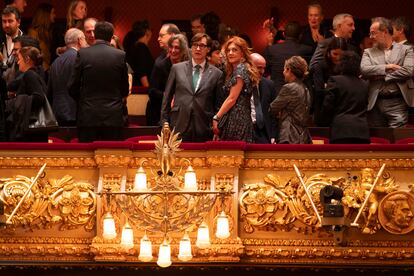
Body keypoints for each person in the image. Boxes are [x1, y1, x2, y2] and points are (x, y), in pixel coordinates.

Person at [68, 21, 129, 142]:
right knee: (111, 157)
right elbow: (125, 89)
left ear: (95, 34)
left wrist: (83, 100)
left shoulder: (83, 54)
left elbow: (72, 86)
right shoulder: (120, 55)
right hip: (113, 116)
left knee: (86, 158)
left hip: (88, 114)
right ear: (111, 37)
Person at [161, 33, 222, 142]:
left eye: (202, 46)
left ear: (208, 49)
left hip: (204, 125)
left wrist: (216, 126)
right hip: (179, 123)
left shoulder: (217, 74)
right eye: (195, 45)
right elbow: (167, 98)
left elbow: (218, 105)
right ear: (191, 47)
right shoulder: (177, 68)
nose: (198, 48)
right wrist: (164, 123)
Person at [360, 17, 414, 128]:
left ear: (384, 32)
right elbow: (364, 69)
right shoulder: (368, 52)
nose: (371, 37)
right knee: (378, 140)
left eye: (373, 33)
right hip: (375, 102)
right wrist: (388, 67)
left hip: (398, 102)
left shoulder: (406, 49)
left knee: (397, 139)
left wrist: (383, 76)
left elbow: (408, 71)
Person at [212, 36, 260, 143]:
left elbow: (232, 98)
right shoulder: (241, 69)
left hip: (237, 119)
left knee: (232, 156)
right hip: (241, 117)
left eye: (234, 50)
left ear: (242, 53)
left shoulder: (240, 70)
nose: (230, 53)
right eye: (228, 50)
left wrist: (216, 117)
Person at [321, 51, 370, 144]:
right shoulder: (364, 84)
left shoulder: (335, 80)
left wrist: (324, 122)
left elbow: (328, 106)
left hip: (341, 130)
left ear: (341, 64)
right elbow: (365, 105)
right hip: (362, 131)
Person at [6, 46, 47, 142]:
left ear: (27, 59)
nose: (18, 62)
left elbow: (39, 98)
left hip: (31, 130)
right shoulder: (35, 74)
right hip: (33, 129)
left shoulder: (30, 75)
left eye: (19, 59)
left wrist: (17, 99)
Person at [48, 28, 87, 126]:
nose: (85, 42)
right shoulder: (79, 59)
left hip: (56, 111)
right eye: (84, 38)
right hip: (74, 111)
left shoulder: (55, 62)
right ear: (79, 40)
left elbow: (50, 89)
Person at [269, 56, 312, 144]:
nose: (283, 72)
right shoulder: (305, 88)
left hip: (289, 135)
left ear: (289, 70)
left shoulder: (289, 88)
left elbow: (272, 108)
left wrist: (279, 112)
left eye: (284, 69)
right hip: (302, 136)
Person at [264, 21, 313, 94]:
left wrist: (270, 44)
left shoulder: (272, 49)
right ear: (300, 36)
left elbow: (266, 69)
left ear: (284, 34)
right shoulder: (308, 50)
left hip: (276, 92)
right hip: (298, 93)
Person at [312, 37, 348, 126]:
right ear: (328, 52)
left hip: (342, 111)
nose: (338, 58)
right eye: (335, 54)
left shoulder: (347, 66)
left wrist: (328, 87)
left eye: (341, 55)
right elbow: (319, 91)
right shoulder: (319, 66)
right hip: (323, 110)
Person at [250, 53, 277, 144]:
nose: (262, 71)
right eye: (259, 67)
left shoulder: (269, 85)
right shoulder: (240, 83)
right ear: (249, 66)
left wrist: (273, 135)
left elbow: (273, 113)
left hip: (264, 132)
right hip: (246, 130)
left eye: (263, 68)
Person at [27, 3, 55, 71]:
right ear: (46, 15)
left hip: (47, 68)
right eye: (53, 13)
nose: (54, 15)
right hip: (39, 70)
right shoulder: (33, 33)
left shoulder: (47, 32)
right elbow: (33, 55)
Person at [125, 19, 153, 87]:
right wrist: (147, 89)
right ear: (147, 31)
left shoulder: (135, 46)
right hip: (141, 88)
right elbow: (141, 72)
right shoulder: (141, 47)